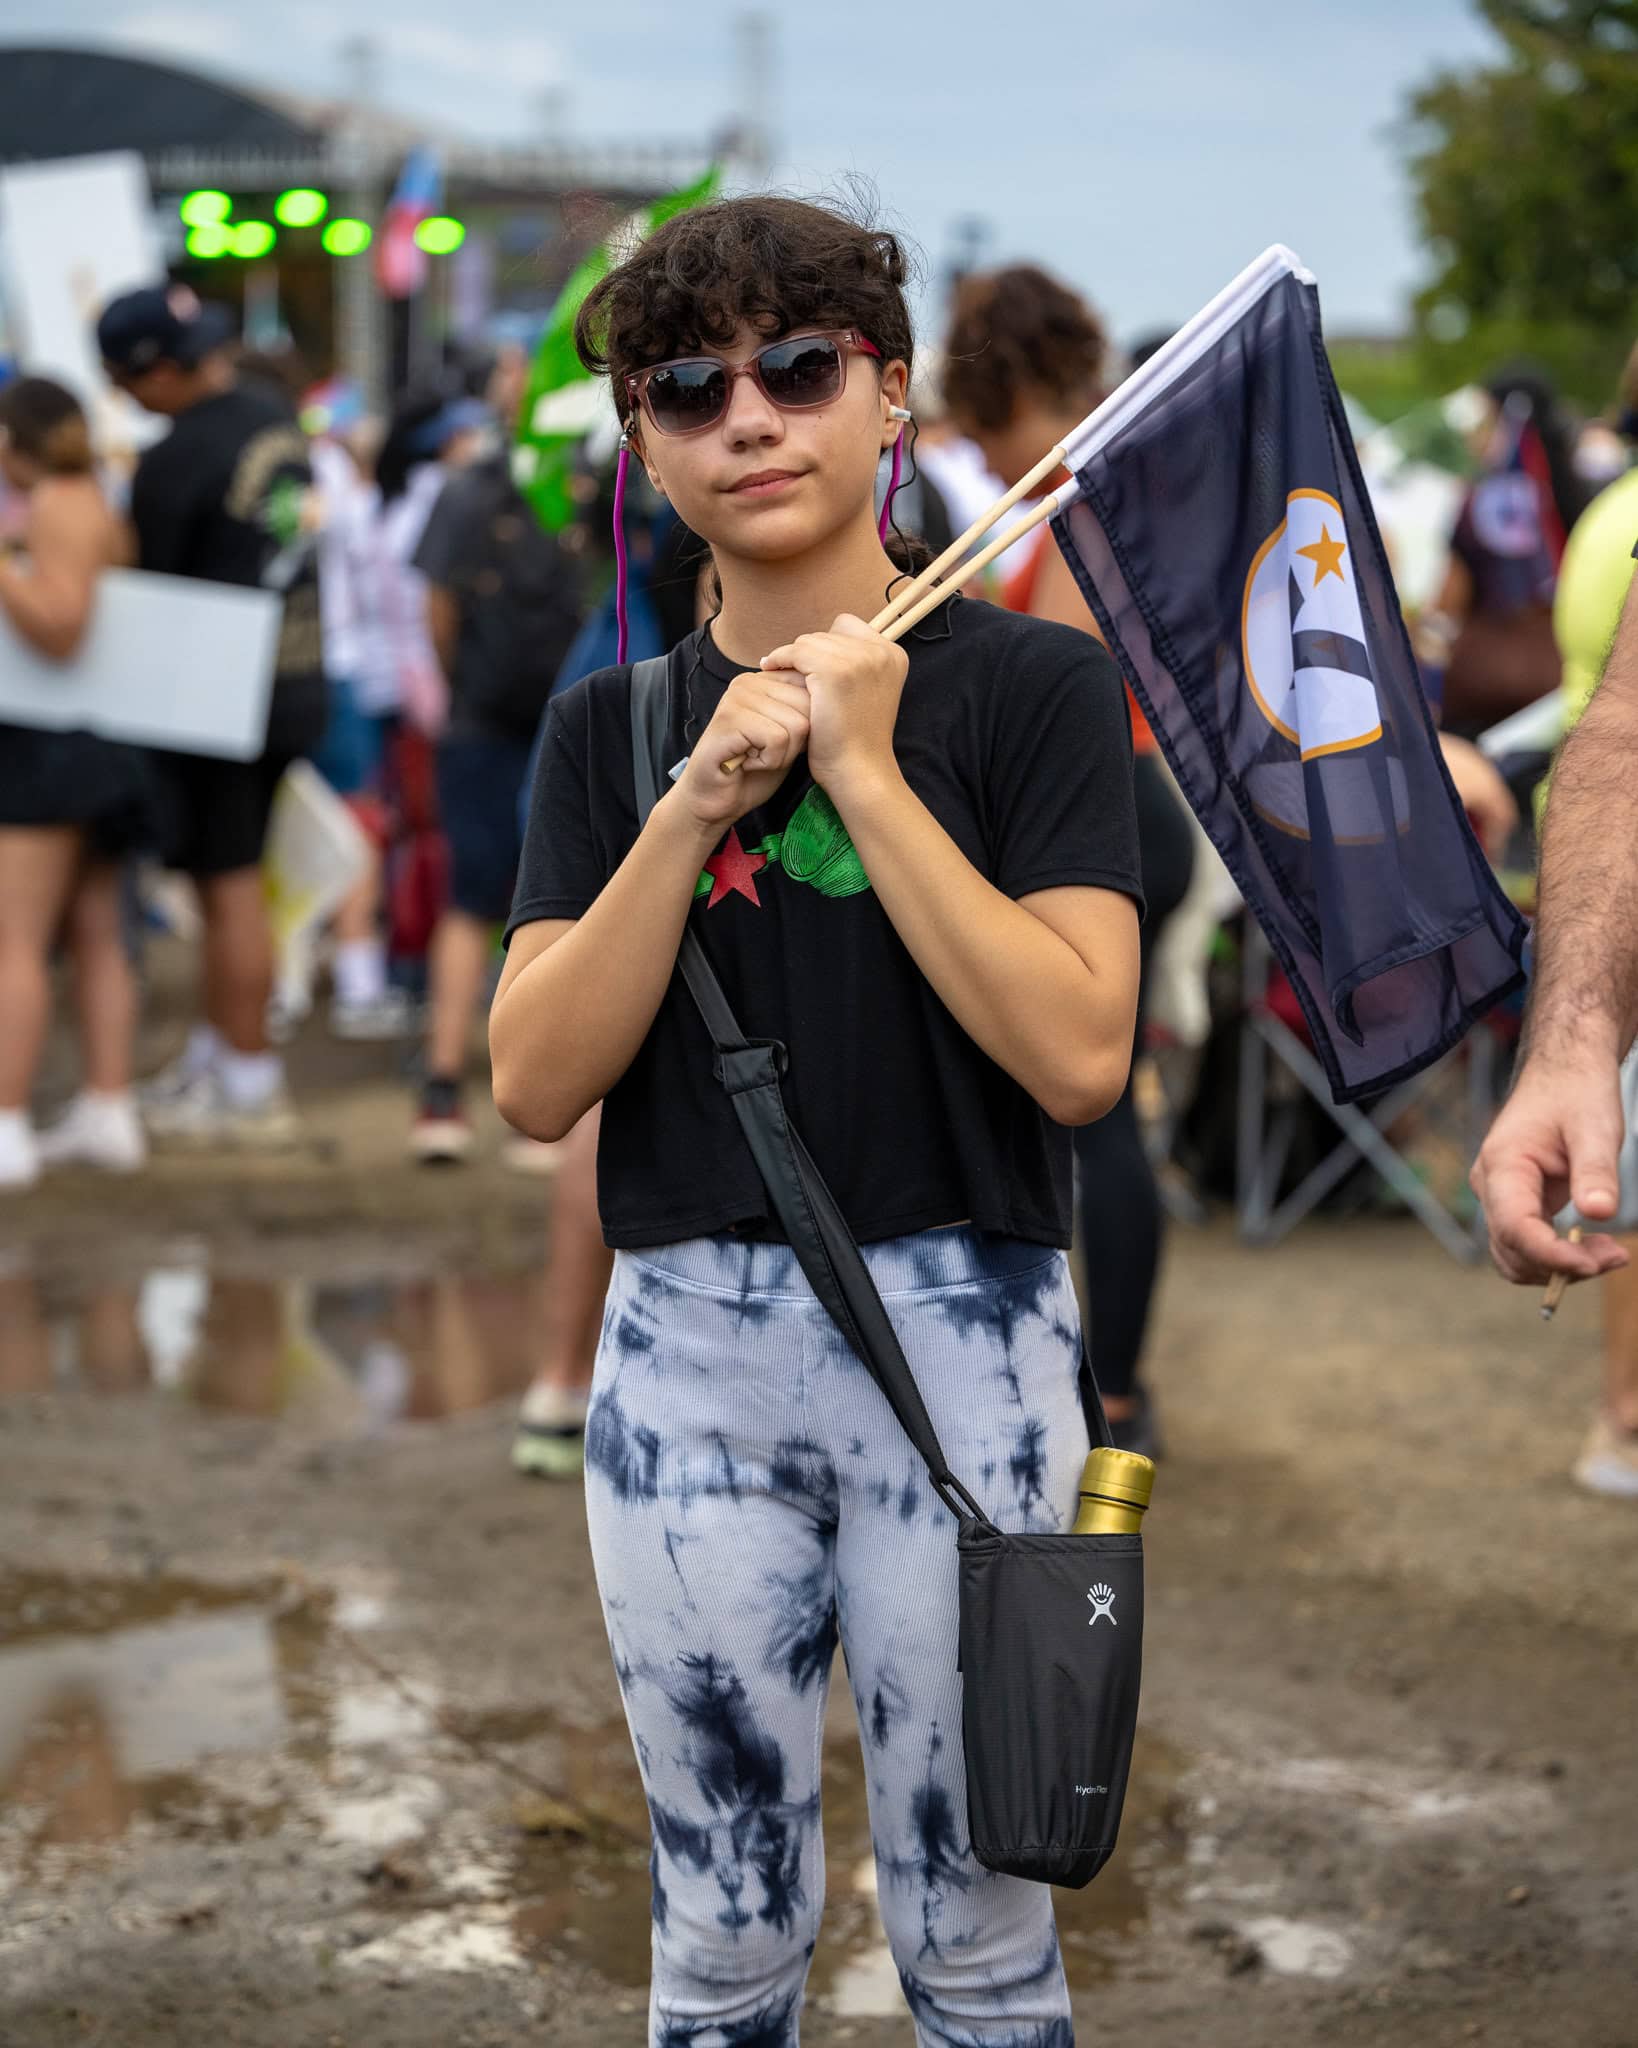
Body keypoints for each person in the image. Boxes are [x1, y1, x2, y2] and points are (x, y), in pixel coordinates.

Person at [491, 194, 1142, 2043]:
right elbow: (534, 1078)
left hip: (971, 1339)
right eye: (688, 387)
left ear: (886, 392)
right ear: (640, 440)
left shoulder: (1031, 687)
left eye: (797, 367)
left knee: (981, 1931)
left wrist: (858, 756)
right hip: (686, 1353)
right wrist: (695, 800)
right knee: (717, 1930)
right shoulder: (606, 735)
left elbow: (1078, 1051)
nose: (748, 419)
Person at [943, 266, 1195, 1458]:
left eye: (979, 425)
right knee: (1100, 1111)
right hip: (1133, 814)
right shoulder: (1092, 491)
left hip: (1113, 818)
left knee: (1093, 1114)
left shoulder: (1073, 499)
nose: (979, 457)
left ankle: (1121, 1387)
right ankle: (1117, 1378)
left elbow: (1059, 704)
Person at [96, 284, 329, 1144]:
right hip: (298, 671)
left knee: (227, 885)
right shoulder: (270, 413)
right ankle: (216, 1055)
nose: (123, 398)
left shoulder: (173, 460)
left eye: (123, 381)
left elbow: (140, 587)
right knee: (231, 879)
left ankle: (245, 1078)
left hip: (220, 694)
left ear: (155, 373)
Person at [1476, 348, 1638, 1497]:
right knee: (1612, 1175)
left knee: (1621, 1189)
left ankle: (1621, 1411)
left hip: (1569, 834)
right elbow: (1623, 720)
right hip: (1600, 855)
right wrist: (1576, 1033)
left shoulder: (1603, 511)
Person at [409, 385, 582, 1163]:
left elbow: (436, 608)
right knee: (557, 901)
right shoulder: (583, 485)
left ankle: (443, 1091)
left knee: (471, 902)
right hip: (566, 718)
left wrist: (457, 689)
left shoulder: (465, 490)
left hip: (482, 719)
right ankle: (554, 1100)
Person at [0, 376, 150, 1187]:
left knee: (15, 941)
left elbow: (61, 624)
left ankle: (8, 1122)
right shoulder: (88, 494)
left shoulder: (56, 503)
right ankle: (107, 1106)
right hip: (99, 744)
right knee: (99, 932)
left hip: (50, 751)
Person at [1425, 366, 1592, 735]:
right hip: (1567, 683)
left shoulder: (1474, 500)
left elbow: (1450, 596)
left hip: (1484, 684)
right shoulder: (1587, 493)